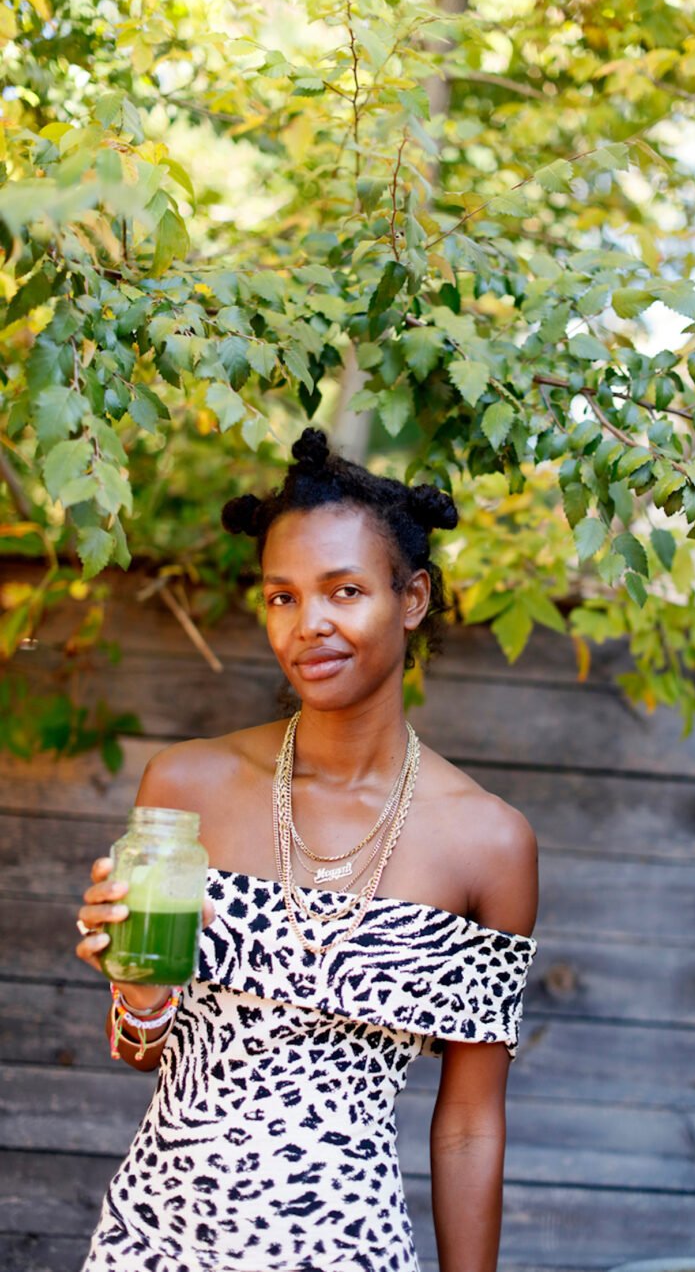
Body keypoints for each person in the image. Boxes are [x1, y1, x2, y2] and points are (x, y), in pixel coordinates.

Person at [75, 426, 539, 1272]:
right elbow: (141, 1052)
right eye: (281, 596)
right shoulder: (186, 788)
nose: (307, 625)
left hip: (347, 1248)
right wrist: (138, 993)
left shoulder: (488, 842)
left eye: (344, 591)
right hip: (155, 1241)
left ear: (412, 597)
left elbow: (470, 1123)